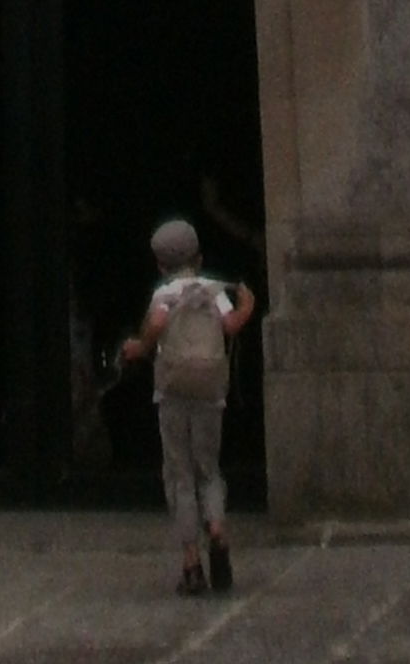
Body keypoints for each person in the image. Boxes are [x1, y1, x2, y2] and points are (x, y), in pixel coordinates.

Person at [117, 213, 255, 596]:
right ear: (198, 256)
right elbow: (231, 326)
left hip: (174, 390)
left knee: (179, 475)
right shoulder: (214, 291)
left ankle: (192, 564)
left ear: (160, 263)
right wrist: (247, 304)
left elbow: (158, 324)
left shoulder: (164, 294)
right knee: (208, 468)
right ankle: (217, 528)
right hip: (211, 391)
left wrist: (140, 347)